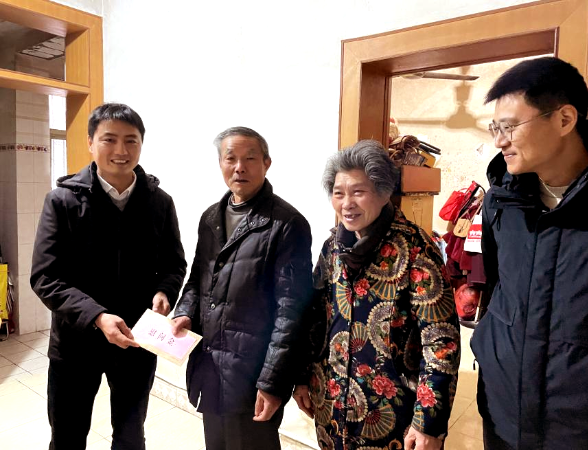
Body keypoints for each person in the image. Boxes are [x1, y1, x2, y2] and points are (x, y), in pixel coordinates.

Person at [30, 103, 187, 450]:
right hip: (75, 343)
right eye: (109, 139)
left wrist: (164, 290)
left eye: (131, 140)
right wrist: (98, 317)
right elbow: (45, 276)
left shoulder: (159, 202)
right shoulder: (62, 201)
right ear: (90, 142)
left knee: (130, 435)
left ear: (141, 144)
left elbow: (174, 264)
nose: (121, 150)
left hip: (136, 341)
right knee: (67, 436)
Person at [293, 140, 460, 450]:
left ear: (383, 192)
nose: (347, 203)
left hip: (395, 418)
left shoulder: (416, 249)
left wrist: (428, 423)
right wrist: (302, 378)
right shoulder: (332, 248)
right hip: (332, 408)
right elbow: (314, 318)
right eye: (338, 193)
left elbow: (441, 343)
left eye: (358, 192)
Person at [472, 56, 588, 449]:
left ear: (564, 119)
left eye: (510, 127)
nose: (499, 142)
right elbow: (498, 287)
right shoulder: (501, 202)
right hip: (503, 418)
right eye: (495, 128)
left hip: (581, 431)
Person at [171, 126, 313, 450]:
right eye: (230, 158)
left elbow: (292, 312)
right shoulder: (211, 217)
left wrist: (272, 382)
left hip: (252, 375)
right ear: (220, 164)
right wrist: (185, 313)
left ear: (266, 163)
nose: (239, 167)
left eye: (249, 158)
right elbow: (198, 279)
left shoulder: (287, 224)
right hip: (210, 367)